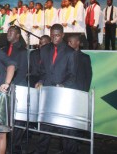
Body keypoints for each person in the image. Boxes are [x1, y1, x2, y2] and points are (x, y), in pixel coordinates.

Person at [34, 24, 78, 154]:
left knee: (65, 130)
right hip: (47, 93)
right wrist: (40, 81)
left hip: (62, 95)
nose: (54, 38)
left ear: (63, 35)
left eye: (57, 35)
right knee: (45, 128)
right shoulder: (44, 50)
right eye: (52, 35)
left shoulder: (70, 52)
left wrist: (63, 85)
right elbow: (42, 71)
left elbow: (72, 75)